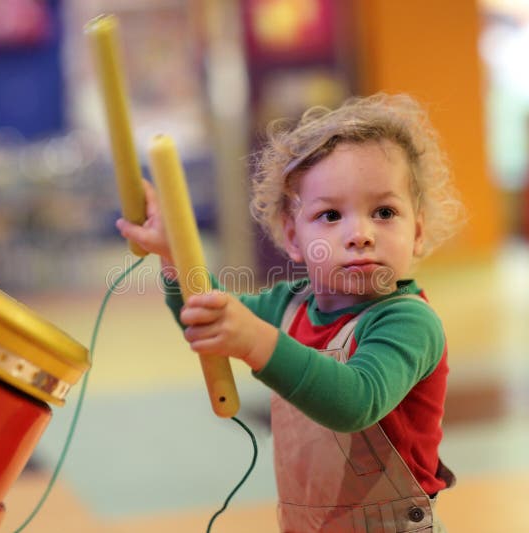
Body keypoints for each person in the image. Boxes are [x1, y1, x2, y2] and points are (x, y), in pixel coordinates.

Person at [117, 93, 464, 532]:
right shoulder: (287, 306)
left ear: (416, 232)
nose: (359, 234)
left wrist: (256, 341)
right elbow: (207, 315)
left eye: (384, 212)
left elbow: (356, 401)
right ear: (292, 238)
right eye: (331, 214)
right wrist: (172, 256)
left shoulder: (408, 321)